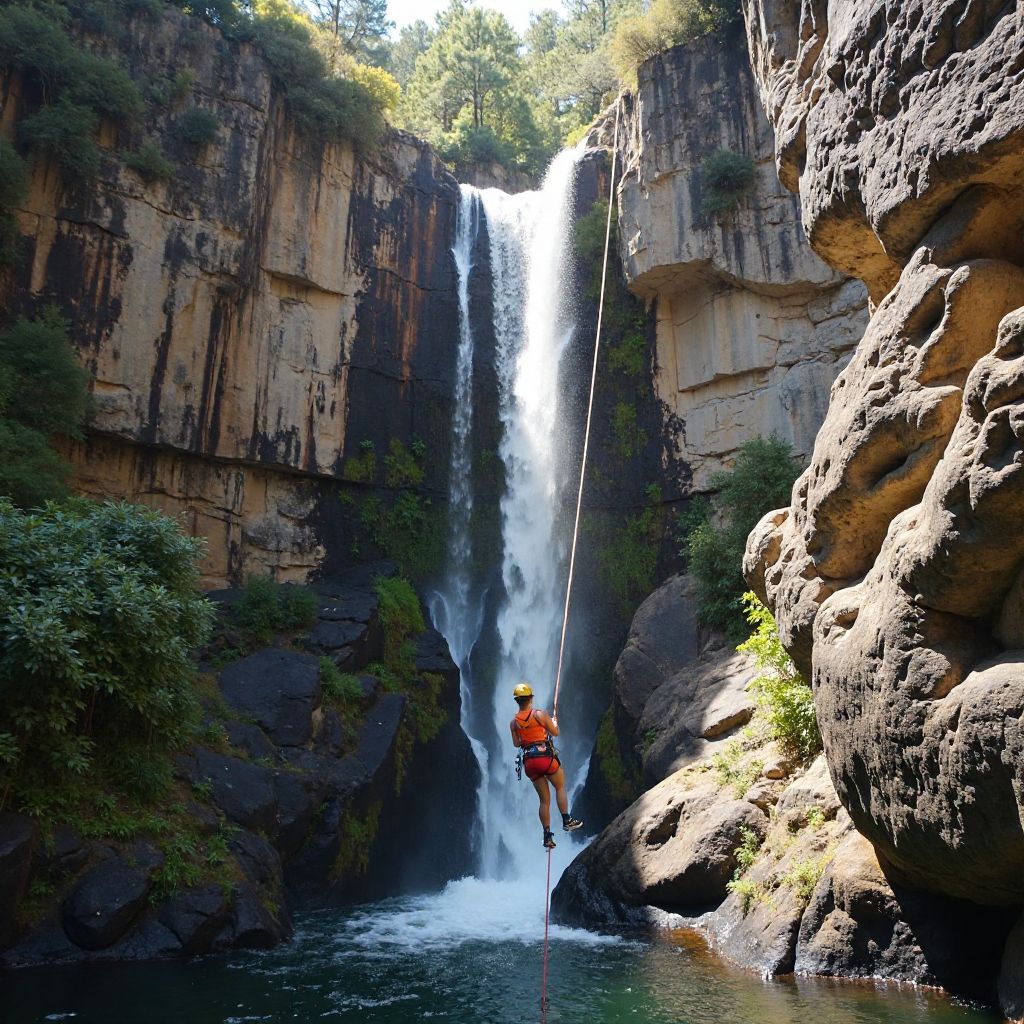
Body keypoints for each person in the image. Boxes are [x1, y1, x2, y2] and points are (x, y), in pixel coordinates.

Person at [509, 682, 583, 850]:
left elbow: (516, 743)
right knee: (559, 786)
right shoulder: (539, 715)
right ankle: (567, 820)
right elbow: (555, 732)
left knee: (544, 800)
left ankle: (547, 836)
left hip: (529, 762)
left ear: (517, 701)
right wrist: (554, 724)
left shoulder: (514, 723)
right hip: (545, 757)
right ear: (531, 698)